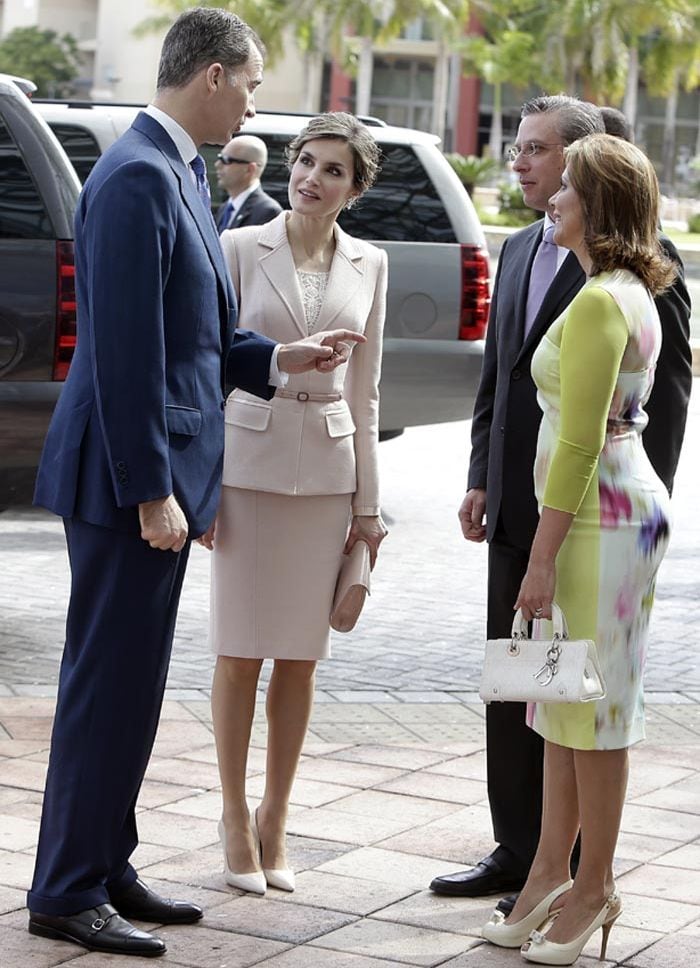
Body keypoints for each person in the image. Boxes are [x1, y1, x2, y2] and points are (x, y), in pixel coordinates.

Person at [27, 9, 365, 959]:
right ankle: (63, 889)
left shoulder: (173, 166)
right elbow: (129, 356)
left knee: (132, 685)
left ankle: (105, 863)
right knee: (104, 683)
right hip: (124, 482)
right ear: (213, 76)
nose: (255, 103)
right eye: (251, 85)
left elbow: (193, 334)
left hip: (159, 473)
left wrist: (276, 357)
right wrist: (150, 491)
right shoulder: (138, 174)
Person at [430, 95, 692, 902]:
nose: (522, 164)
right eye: (517, 148)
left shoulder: (640, 266)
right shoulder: (516, 248)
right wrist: (480, 477)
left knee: (581, 694)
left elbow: (666, 396)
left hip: (587, 515)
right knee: (525, 687)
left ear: (584, 162)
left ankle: (576, 869)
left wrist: (629, 499)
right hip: (518, 503)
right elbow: (496, 379)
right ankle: (521, 851)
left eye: (539, 150)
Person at [481, 131, 674, 965]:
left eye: (565, 187)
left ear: (595, 205)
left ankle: (593, 887)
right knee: (557, 704)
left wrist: (539, 556)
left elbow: (579, 445)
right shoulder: (619, 288)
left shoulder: (602, 300)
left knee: (595, 715)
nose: (549, 195)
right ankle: (548, 877)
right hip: (603, 514)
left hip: (599, 522)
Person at [206, 112, 388, 896]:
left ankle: (278, 815)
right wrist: (199, 485)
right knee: (239, 651)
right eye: (305, 162)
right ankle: (232, 815)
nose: (311, 178)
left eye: (333, 170)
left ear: (355, 187)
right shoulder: (240, 247)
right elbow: (209, 364)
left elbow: (369, 393)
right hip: (244, 470)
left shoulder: (371, 263)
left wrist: (369, 511)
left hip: (328, 476)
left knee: (301, 658)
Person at [214, 133, 282, 231]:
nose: (217, 165)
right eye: (219, 158)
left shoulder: (267, 211)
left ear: (250, 169)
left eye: (226, 160)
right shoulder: (225, 208)